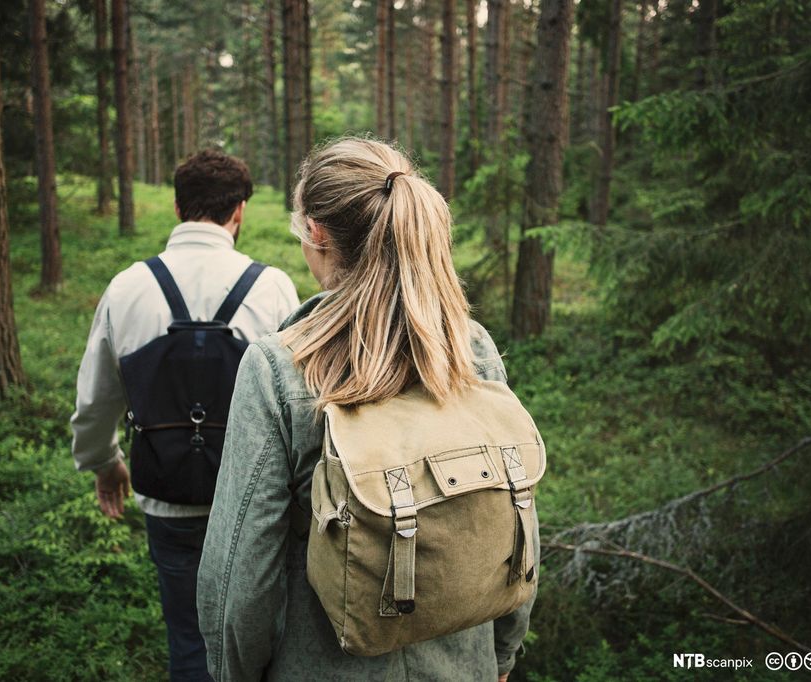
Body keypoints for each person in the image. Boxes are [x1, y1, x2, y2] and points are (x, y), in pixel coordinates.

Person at [197, 137, 537, 681]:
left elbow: (241, 570)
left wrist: (231, 672)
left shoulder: (280, 368)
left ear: (316, 234)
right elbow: (514, 513)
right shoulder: (470, 349)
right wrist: (501, 655)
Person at [70, 149, 300, 682]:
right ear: (239, 210)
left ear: (176, 206)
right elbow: (297, 401)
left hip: (168, 499)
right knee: (263, 638)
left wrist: (104, 462)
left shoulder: (127, 287)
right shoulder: (271, 288)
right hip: (254, 503)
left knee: (190, 640)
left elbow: (98, 395)